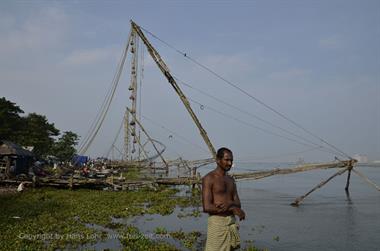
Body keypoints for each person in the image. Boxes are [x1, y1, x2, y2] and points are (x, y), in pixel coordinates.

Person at [202, 147, 246, 251]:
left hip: (231, 222)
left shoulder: (230, 180)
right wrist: (232, 208)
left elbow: (238, 204)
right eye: (226, 160)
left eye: (231, 160)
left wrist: (229, 204)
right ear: (218, 160)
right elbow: (207, 207)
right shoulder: (209, 178)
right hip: (217, 224)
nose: (230, 163)